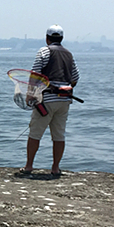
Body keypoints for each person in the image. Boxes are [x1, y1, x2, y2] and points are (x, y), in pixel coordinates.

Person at [19, 24, 79, 178]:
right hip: (65, 100)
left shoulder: (44, 51)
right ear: (62, 38)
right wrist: (63, 88)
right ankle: (55, 168)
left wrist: (30, 94)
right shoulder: (69, 54)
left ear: (47, 38)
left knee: (35, 133)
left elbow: (35, 74)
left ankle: (29, 166)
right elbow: (75, 78)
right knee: (59, 135)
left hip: (46, 99)